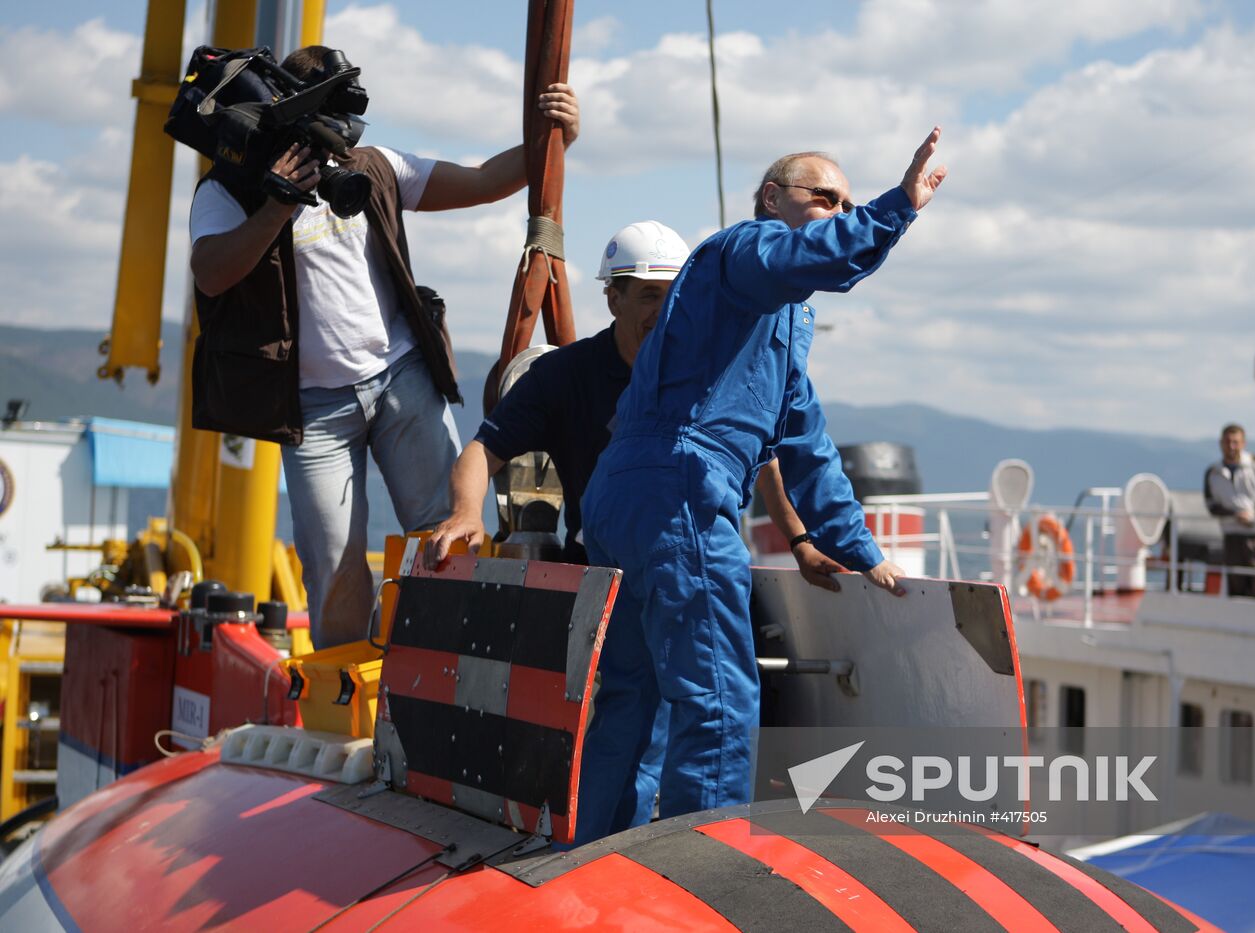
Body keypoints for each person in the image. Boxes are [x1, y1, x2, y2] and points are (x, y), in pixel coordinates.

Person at [423, 221, 849, 843]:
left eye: (673, 296)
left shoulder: (703, 365)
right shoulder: (566, 375)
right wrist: (466, 514)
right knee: (676, 705)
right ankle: (657, 848)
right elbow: (483, 449)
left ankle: (636, 844)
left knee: (671, 704)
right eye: (647, 295)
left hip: (685, 554)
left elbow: (766, 456)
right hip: (608, 570)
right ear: (613, 298)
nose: (662, 311)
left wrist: (802, 541)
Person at [580, 128, 948, 823]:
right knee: (719, 698)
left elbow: (807, 443)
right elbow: (819, 255)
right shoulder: (744, 247)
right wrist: (896, 204)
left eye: (848, 205)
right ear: (773, 199)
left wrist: (860, 551)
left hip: (626, 494)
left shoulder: (778, 323)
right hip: (680, 491)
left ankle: (597, 853)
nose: (838, 214)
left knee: (635, 695)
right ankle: (700, 870)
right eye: (825, 198)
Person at [187, 45, 579, 648]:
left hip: (399, 378)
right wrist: (277, 204)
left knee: (447, 529)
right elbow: (211, 274)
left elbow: (481, 181)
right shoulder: (229, 190)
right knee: (335, 564)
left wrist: (554, 142)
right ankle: (345, 685)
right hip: (312, 407)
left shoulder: (371, 167)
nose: (337, 140)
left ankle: (451, 664)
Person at [1204, 424, 1255, 598]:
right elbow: (1211, 505)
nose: (1231, 446)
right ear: (1221, 443)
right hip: (1231, 536)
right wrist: (1234, 515)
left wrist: (1254, 514)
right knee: (1236, 586)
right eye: (1227, 442)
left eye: (1235, 442)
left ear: (1243, 443)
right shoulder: (1213, 472)